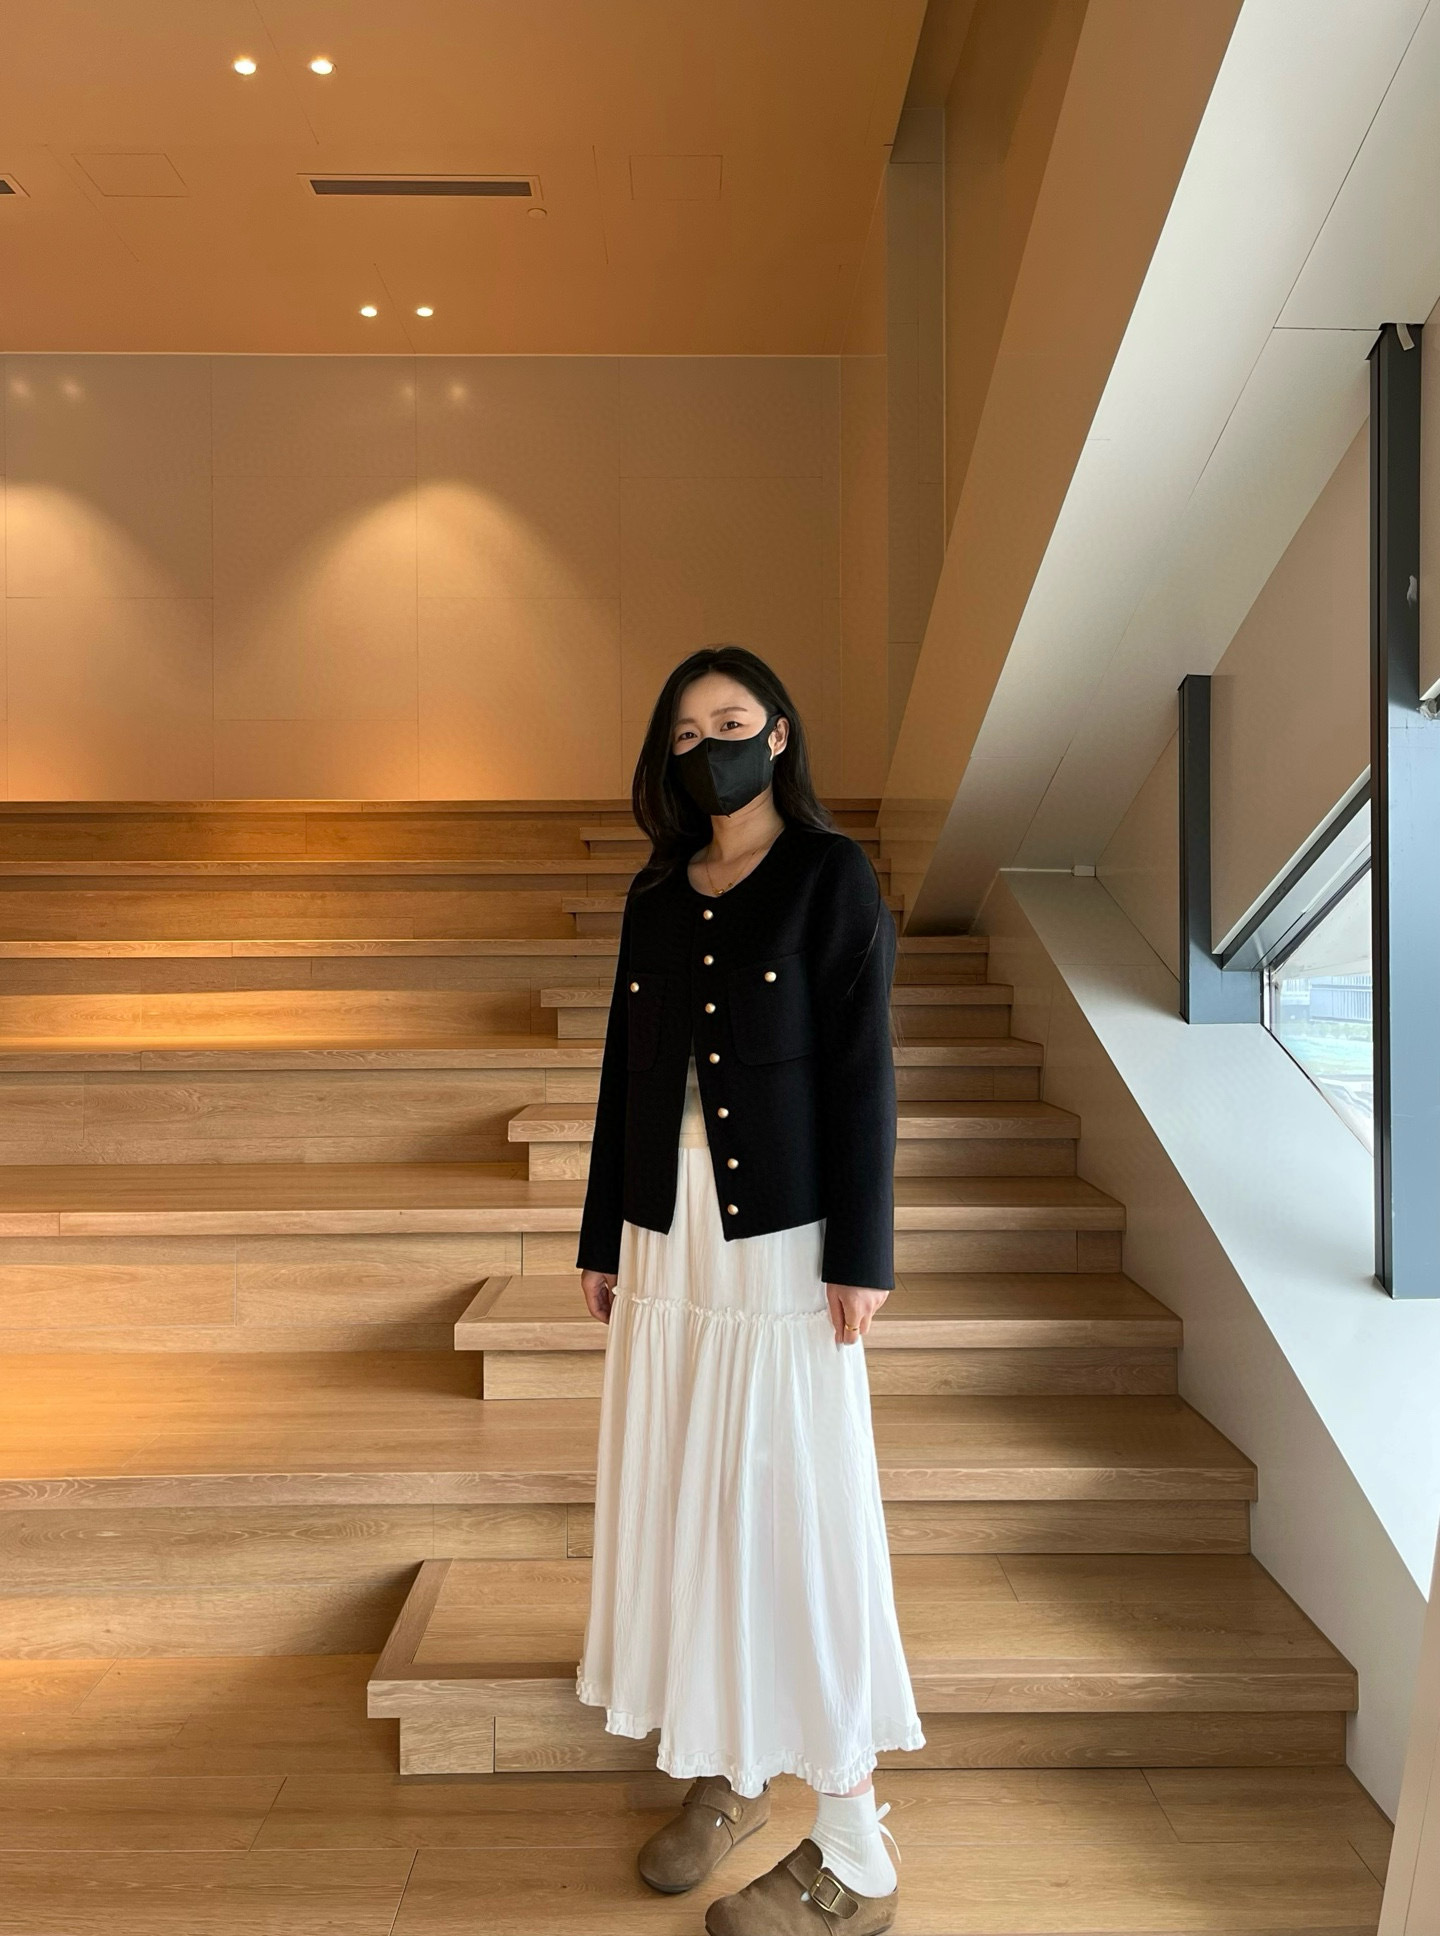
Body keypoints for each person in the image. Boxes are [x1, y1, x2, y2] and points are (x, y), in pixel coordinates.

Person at [575, 644, 922, 1936]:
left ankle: (856, 1848)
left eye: (729, 722)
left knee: (790, 1514)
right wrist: (602, 1234)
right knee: (696, 1501)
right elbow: (625, 1072)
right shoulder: (657, 898)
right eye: (685, 734)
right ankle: (733, 1764)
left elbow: (864, 1071)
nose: (707, 747)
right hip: (668, 1246)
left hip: (782, 1246)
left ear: (777, 735)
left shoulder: (832, 878)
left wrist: (862, 1255)